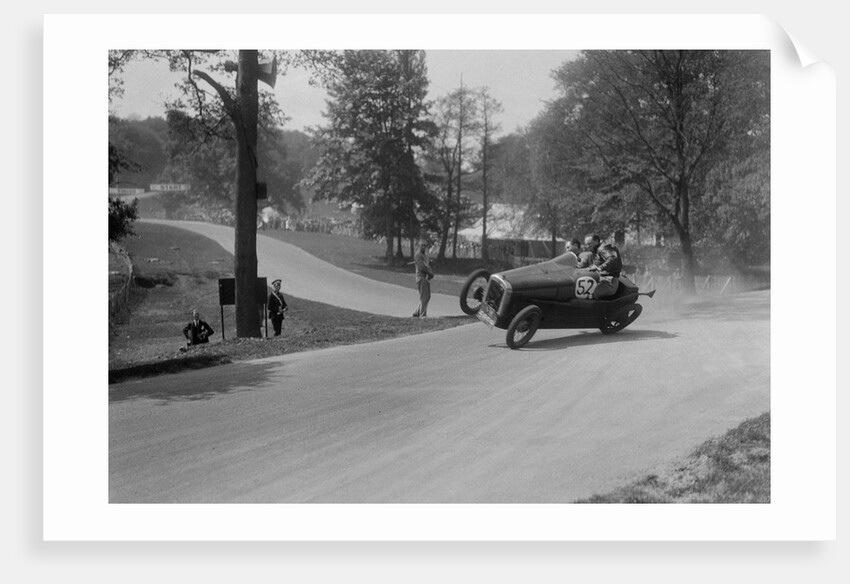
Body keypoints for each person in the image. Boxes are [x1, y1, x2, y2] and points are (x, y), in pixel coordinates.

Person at [583, 233, 623, 298]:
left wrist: (599, 268)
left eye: (589, 244)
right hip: (602, 280)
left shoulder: (603, 248)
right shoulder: (596, 251)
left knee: (591, 294)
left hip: (609, 281)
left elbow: (613, 257)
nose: (587, 246)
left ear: (596, 241)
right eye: (586, 244)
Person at [412, 239, 434, 317]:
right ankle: (423, 314)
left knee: (427, 296)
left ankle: (417, 312)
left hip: (426, 278)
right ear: (419, 246)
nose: (423, 247)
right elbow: (421, 268)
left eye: (425, 245)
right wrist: (429, 273)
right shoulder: (418, 255)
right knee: (424, 296)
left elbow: (427, 265)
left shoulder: (424, 255)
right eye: (422, 245)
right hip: (421, 277)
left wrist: (430, 271)